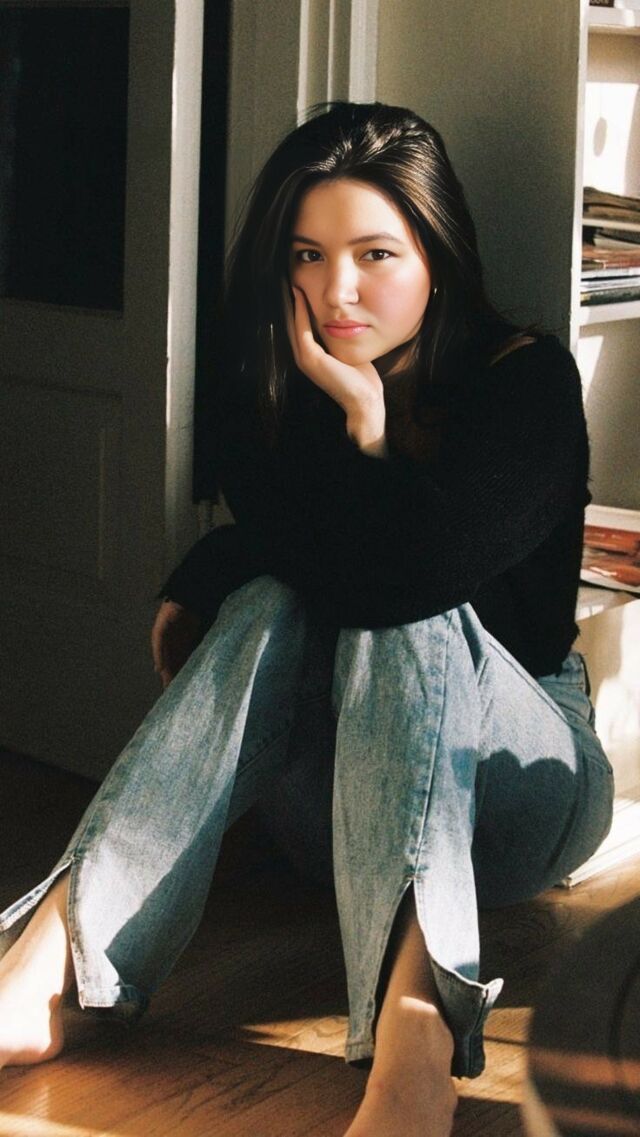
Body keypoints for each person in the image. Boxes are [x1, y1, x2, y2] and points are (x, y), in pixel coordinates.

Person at [0, 102, 614, 1137]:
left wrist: (361, 439)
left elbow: (410, 578)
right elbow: (320, 566)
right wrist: (300, 490)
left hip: (522, 788)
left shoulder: (526, 383)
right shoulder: (273, 388)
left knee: (394, 610)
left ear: (437, 258)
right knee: (281, 598)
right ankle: (44, 974)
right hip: (335, 809)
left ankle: (416, 1042)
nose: (337, 292)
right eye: (307, 255)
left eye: (376, 253)